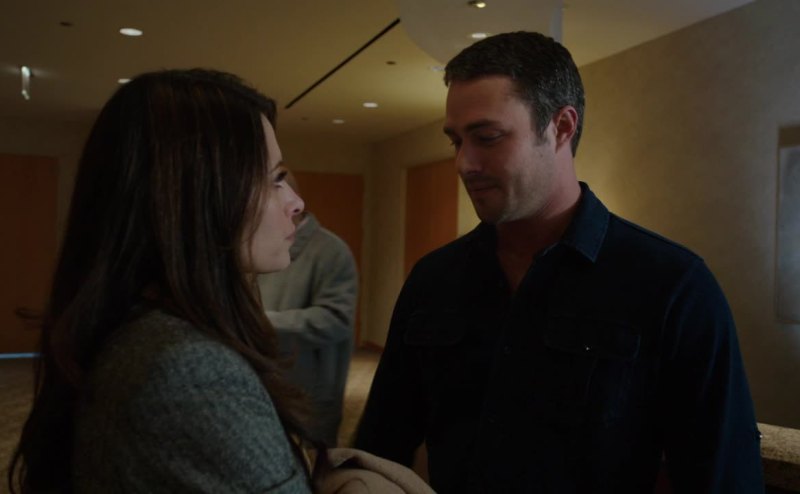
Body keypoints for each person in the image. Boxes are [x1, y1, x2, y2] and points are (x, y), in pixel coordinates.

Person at [354, 32, 764, 493]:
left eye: (487, 138)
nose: (464, 164)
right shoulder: (433, 280)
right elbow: (379, 447)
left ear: (562, 127)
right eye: (456, 141)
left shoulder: (673, 286)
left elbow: (724, 475)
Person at [6, 69, 433, 494]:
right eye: (274, 179)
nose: (296, 202)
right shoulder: (189, 370)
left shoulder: (148, 332)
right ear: (200, 193)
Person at [258, 171, 358, 447]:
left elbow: (336, 319)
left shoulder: (331, 251)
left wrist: (261, 322)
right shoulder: (262, 246)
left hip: (310, 392)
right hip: (268, 383)